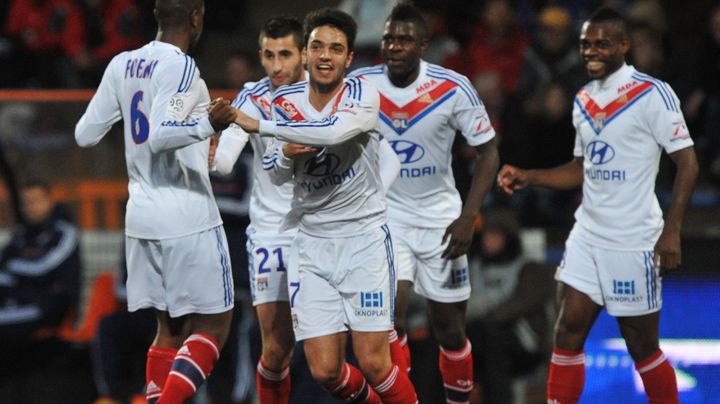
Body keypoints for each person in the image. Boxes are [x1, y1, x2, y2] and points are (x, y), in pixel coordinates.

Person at [497, 7, 698, 404]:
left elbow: (688, 163)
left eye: (602, 43)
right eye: (586, 44)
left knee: (641, 345)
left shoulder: (651, 93)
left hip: (633, 238)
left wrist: (671, 230)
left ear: (624, 46)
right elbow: (582, 168)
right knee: (566, 331)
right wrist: (531, 176)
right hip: (588, 233)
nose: (591, 51)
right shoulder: (584, 98)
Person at [231, 8, 417, 403]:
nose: (325, 55)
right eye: (317, 46)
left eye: (336, 48)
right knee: (324, 370)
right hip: (311, 244)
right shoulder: (284, 100)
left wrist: (261, 127)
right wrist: (282, 152)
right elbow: (276, 173)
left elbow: (334, 132)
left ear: (349, 59)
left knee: (374, 362)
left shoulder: (363, 94)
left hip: (362, 242)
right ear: (307, 53)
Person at [74, 0, 238, 403]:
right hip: (187, 215)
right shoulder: (181, 66)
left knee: (169, 330)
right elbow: (163, 135)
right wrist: (209, 124)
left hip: (141, 218)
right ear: (197, 17)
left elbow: (84, 134)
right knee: (215, 327)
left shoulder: (122, 63)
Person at [351, 3, 499, 403]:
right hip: (386, 218)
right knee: (390, 319)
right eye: (388, 39)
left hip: (441, 221)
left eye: (404, 39)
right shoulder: (360, 84)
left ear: (423, 45)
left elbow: (488, 153)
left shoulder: (453, 87)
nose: (394, 46)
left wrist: (469, 217)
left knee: (449, 330)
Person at [211, 15, 307, 404]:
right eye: (269, 55)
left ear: (303, 54)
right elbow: (226, 161)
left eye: (286, 54)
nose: (277, 64)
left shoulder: (326, 93)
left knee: (329, 356)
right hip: (270, 233)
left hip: (323, 231)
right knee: (275, 351)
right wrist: (211, 154)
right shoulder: (251, 96)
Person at [465, 210, 554, 404]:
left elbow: (520, 304)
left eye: (496, 236)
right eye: (487, 236)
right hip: (481, 334)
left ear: (509, 239)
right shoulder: (475, 267)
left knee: (492, 337)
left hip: (523, 343)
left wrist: (483, 313)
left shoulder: (530, 269)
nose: (490, 241)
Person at [0, 179, 81, 357]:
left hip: (51, 307)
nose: (30, 207)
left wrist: (12, 269)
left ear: (49, 201)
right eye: (25, 202)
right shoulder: (21, 234)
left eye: (35, 200)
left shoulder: (65, 232)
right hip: (18, 301)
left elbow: (42, 269)